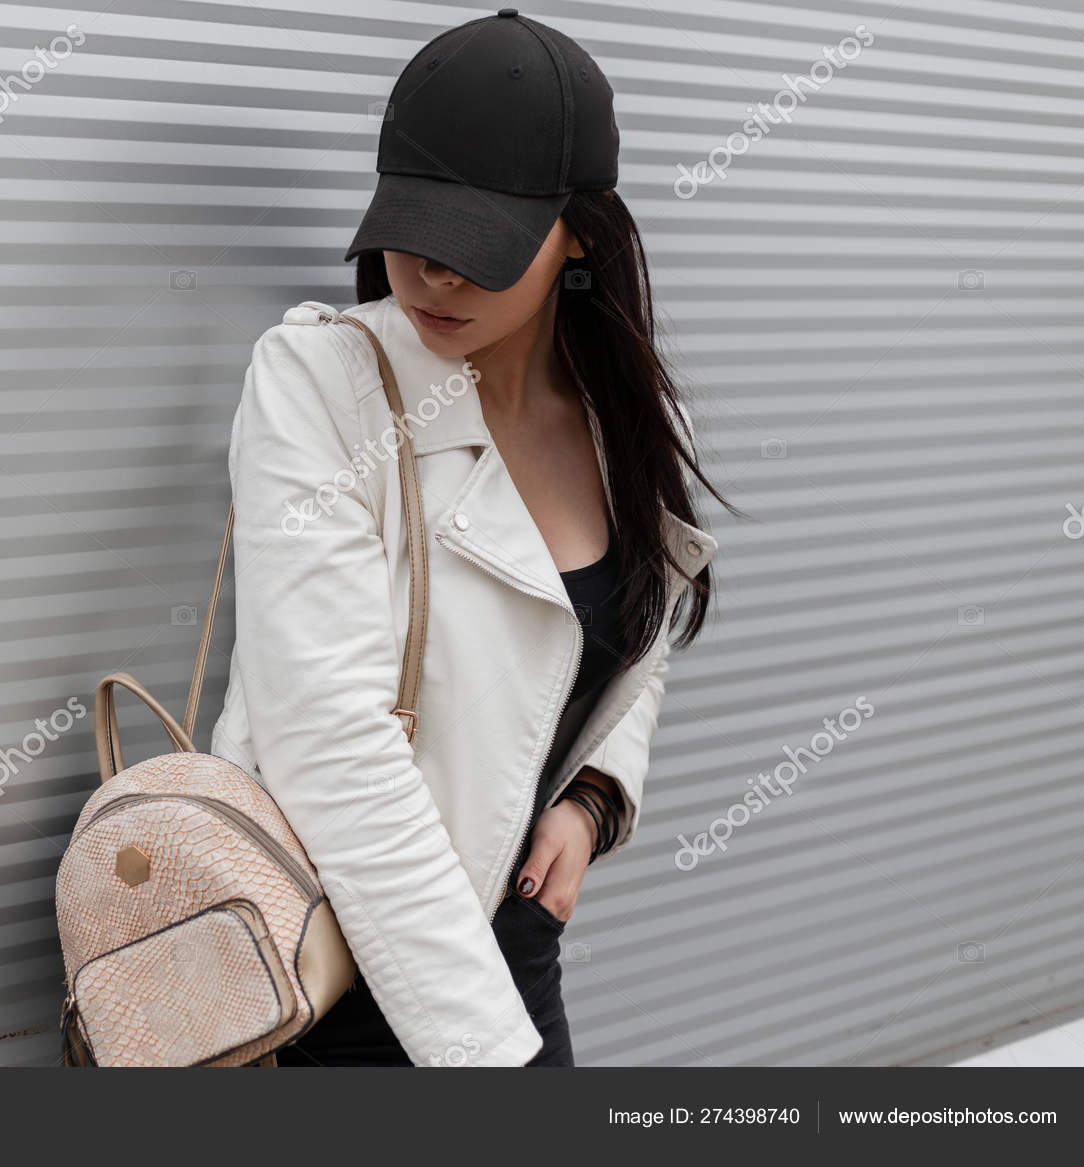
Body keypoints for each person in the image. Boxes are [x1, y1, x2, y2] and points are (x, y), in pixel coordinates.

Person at [209, 9, 730, 1067]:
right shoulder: (321, 384)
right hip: (325, 982)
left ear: (579, 232)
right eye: (413, 226)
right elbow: (328, 745)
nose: (435, 272)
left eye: (478, 243)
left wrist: (591, 800)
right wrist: (494, 1057)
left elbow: (636, 629)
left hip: (510, 962)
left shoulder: (617, 418)